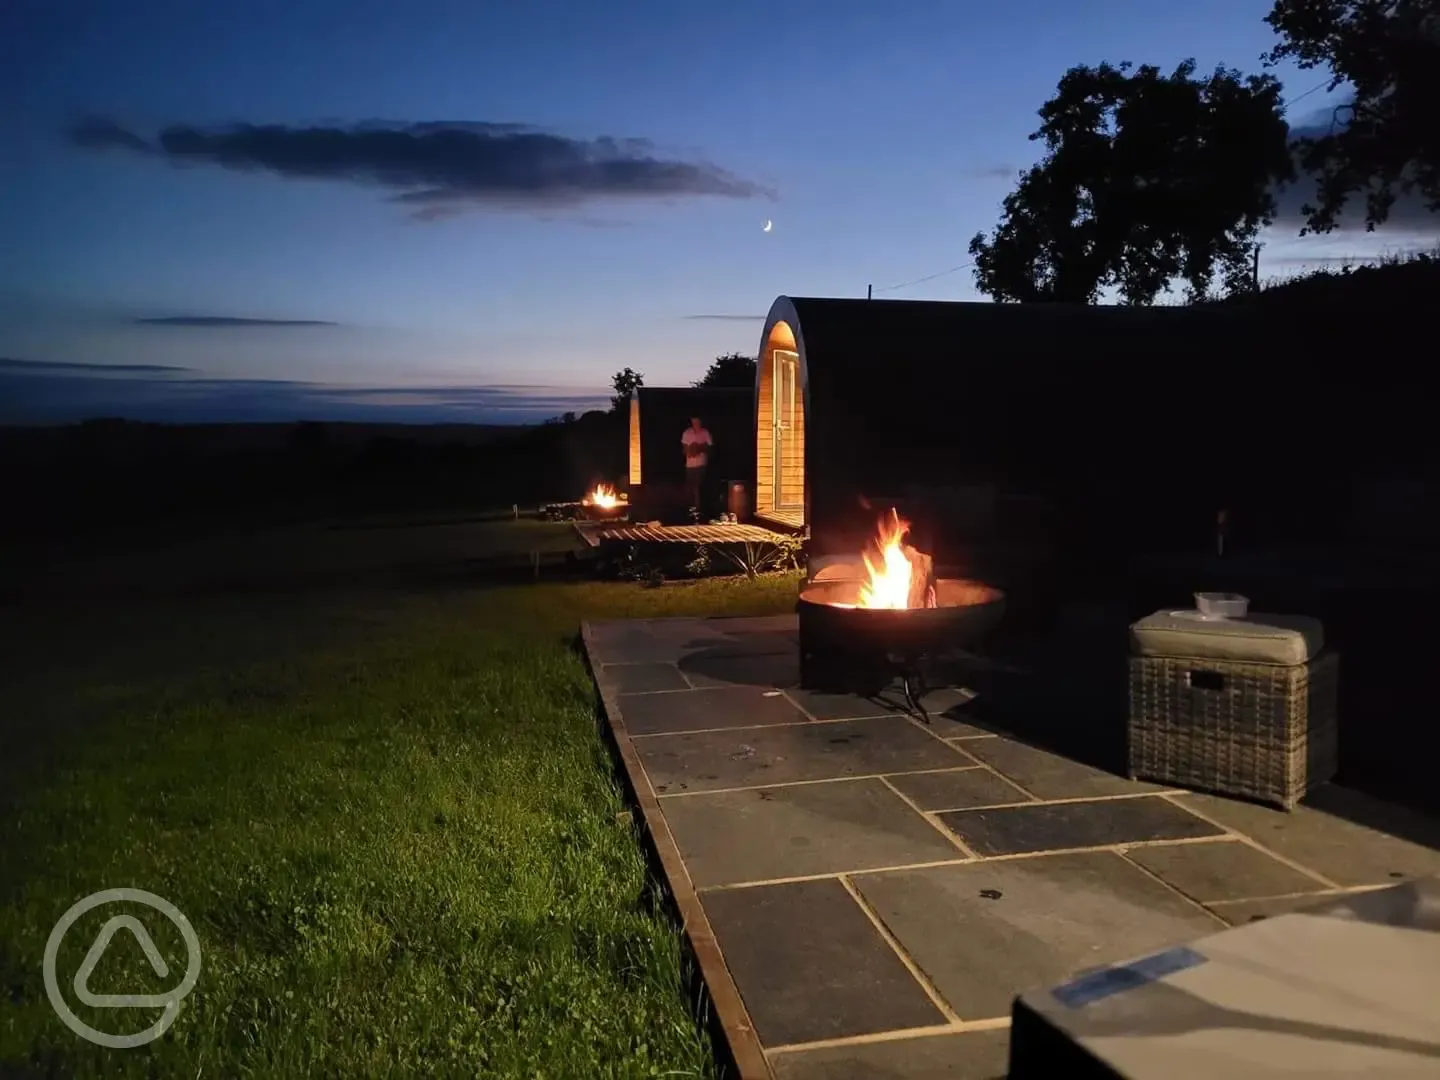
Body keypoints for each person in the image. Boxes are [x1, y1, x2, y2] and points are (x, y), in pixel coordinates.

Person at [681, 416, 713, 511]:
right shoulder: (687, 433)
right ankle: (691, 507)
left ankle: (699, 507)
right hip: (690, 465)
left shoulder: (705, 432)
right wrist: (690, 451)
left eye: (698, 422)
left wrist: (700, 448)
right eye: (694, 422)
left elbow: (710, 448)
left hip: (701, 464)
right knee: (691, 486)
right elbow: (684, 449)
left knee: (699, 486)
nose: (696, 424)